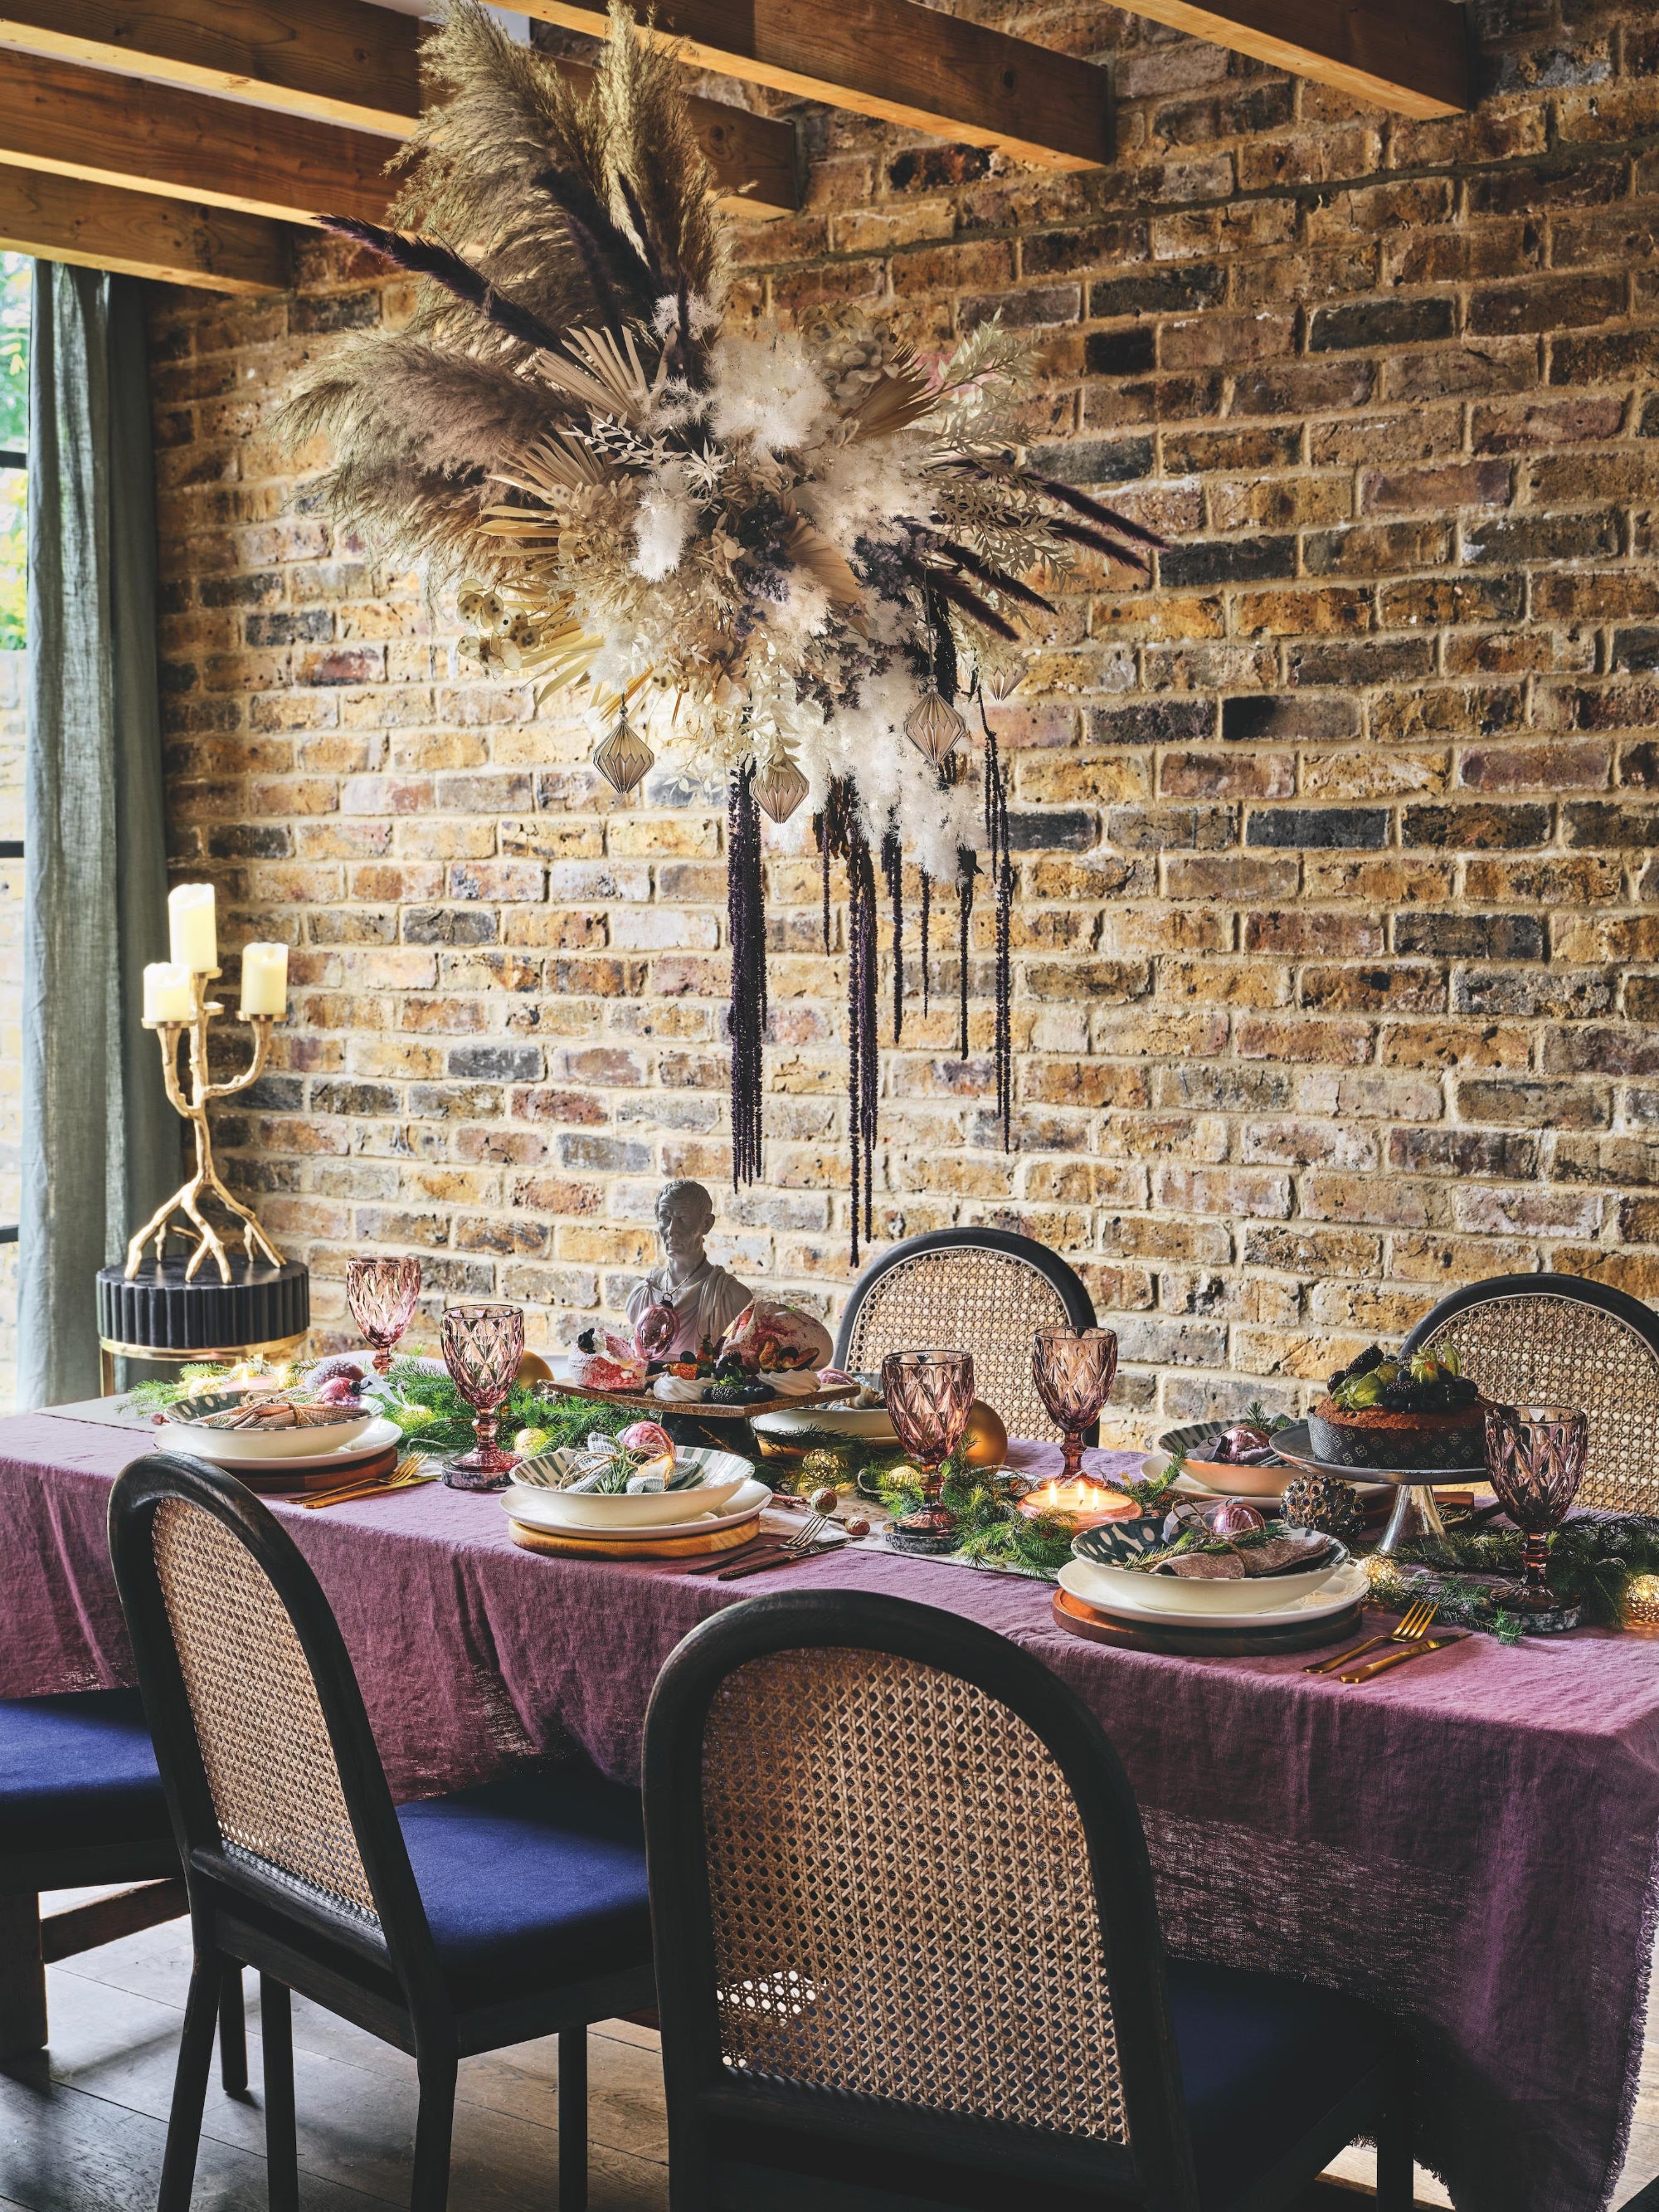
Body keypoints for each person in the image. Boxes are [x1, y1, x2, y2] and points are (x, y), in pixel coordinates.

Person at [625, 1180, 752, 1360]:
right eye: (665, 1218)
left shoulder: (730, 1295)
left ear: (706, 1224)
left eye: (683, 1219)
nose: (672, 1230)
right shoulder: (643, 1292)